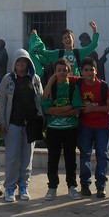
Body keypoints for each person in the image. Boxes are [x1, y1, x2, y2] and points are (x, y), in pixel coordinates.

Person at [0, 49, 43, 202]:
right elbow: (2, 101)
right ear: (14, 63)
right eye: (19, 61)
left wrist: (41, 120)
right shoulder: (8, 79)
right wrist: (2, 121)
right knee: (12, 157)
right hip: (13, 124)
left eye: (24, 61)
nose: (21, 64)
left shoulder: (35, 79)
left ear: (28, 63)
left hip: (30, 124)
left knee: (27, 157)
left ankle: (24, 185)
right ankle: (10, 188)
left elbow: (40, 99)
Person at [41, 58, 84, 201]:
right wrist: (66, 108)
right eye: (59, 70)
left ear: (69, 71)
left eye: (64, 70)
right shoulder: (50, 88)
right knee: (52, 159)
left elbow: (76, 110)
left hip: (70, 129)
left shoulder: (73, 88)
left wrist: (57, 111)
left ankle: (72, 186)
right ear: (55, 72)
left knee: (70, 158)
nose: (62, 72)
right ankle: (52, 187)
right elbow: (47, 110)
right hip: (53, 129)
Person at [76, 57, 109, 198]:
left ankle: (101, 185)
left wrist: (94, 108)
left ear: (96, 71)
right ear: (81, 71)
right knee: (85, 154)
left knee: (102, 155)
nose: (89, 72)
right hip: (85, 126)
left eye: (91, 70)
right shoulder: (78, 82)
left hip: (101, 127)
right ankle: (85, 184)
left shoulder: (103, 86)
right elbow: (61, 75)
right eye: (86, 70)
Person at [29, 21, 100, 77]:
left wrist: (94, 30)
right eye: (65, 38)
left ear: (73, 38)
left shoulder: (79, 52)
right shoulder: (58, 53)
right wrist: (35, 37)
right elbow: (42, 52)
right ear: (62, 41)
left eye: (69, 37)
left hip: (75, 85)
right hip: (62, 86)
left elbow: (93, 45)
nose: (67, 39)